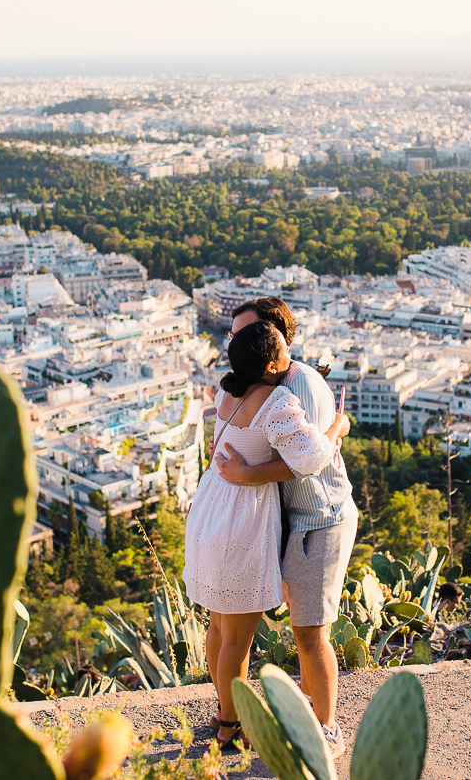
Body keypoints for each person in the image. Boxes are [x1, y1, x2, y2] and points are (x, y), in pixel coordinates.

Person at [183, 320, 351, 749]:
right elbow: (312, 456)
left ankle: (226, 715)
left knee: (219, 628)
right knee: (236, 640)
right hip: (240, 521)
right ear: (272, 363)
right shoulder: (276, 400)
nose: (291, 358)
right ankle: (230, 728)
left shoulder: (226, 393)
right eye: (284, 352)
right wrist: (337, 426)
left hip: (210, 513)